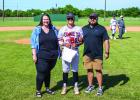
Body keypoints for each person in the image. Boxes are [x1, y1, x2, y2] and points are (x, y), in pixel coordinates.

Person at [30, 14, 59, 97]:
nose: (46, 21)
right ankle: (38, 90)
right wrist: (34, 55)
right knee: (41, 72)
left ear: (49, 20)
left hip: (53, 56)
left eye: (47, 19)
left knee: (48, 72)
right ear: (41, 20)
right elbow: (33, 43)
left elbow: (60, 38)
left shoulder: (53, 29)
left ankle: (47, 88)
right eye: (44, 19)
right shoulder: (37, 30)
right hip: (42, 56)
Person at [82, 13, 110, 96]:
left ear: (97, 19)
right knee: (89, 70)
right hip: (87, 54)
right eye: (91, 18)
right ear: (88, 19)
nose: (93, 19)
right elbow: (80, 40)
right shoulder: (84, 28)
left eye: (94, 18)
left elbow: (106, 40)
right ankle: (90, 86)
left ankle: (100, 88)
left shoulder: (101, 29)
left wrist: (107, 51)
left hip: (97, 54)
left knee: (98, 71)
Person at [58, 12, 83, 95]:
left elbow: (81, 41)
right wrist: (65, 44)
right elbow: (59, 40)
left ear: (74, 19)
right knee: (65, 70)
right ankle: (64, 86)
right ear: (66, 19)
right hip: (66, 51)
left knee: (75, 70)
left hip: (75, 51)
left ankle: (76, 86)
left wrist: (78, 43)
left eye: (71, 18)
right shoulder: (62, 29)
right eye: (69, 18)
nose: (70, 20)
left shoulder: (78, 29)